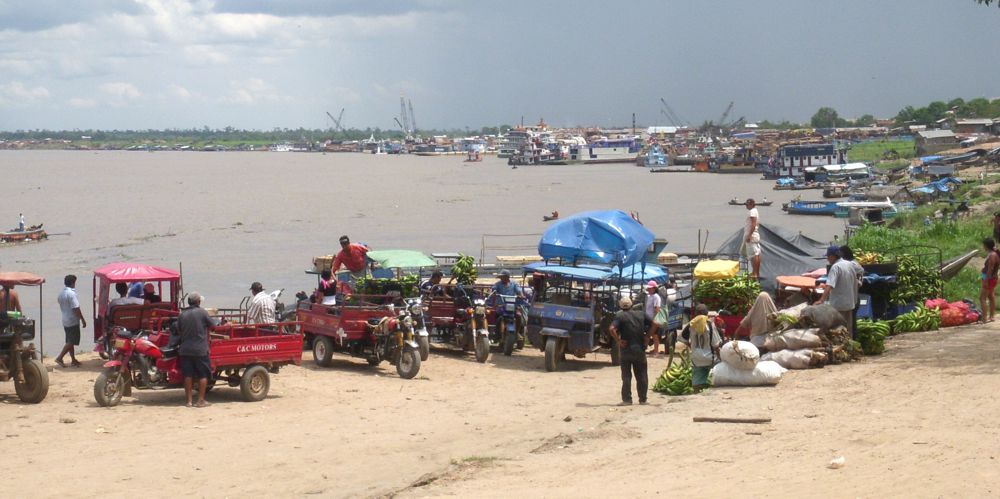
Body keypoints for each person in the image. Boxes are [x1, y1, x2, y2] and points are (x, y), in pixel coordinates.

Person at [608, 296, 648, 405]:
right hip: (640, 349)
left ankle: (627, 400)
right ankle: (643, 400)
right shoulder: (641, 314)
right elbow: (655, 324)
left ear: (620, 306)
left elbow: (611, 329)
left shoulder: (619, 315)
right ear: (631, 304)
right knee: (642, 375)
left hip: (626, 350)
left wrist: (618, 340)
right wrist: (648, 336)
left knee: (626, 376)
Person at [178, 292, 213, 408]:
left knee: (188, 375)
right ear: (198, 302)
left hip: (185, 349)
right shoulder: (202, 312)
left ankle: (188, 401)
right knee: (203, 375)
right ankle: (200, 401)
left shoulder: (182, 314)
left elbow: (178, 330)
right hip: (200, 349)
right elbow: (213, 325)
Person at [815, 245, 858, 337]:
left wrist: (821, 300)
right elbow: (856, 282)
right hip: (850, 304)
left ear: (832, 256)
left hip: (839, 305)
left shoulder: (835, 267)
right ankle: (850, 348)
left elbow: (829, 285)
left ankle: (841, 349)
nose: (827, 259)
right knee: (848, 330)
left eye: (828, 256)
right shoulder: (849, 264)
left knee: (838, 332)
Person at [680, 304, 722, 392]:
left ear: (695, 314)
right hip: (710, 359)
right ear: (707, 313)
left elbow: (682, 338)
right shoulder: (710, 324)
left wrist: (691, 346)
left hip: (696, 359)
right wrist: (721, 358)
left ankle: (696, 391)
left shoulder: (691, 324)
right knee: (717, 373)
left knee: (697, 380)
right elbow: (716, 345)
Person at [55, 274, 86, 368]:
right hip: (72, 320)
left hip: (65, 319)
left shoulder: (61, 294)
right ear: (73, 283)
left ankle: (73, 359)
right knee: (71, 341)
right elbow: (76, 308)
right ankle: (60, 357)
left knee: (69, 340)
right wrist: (83, 319)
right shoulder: (72, 294)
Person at [980, 238, 999, 323]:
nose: (983, 246)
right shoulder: (994, 254)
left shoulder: (992, 255)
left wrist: (986, 280)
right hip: (992, 278)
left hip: (989, 279)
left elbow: (990, 269)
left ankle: (984, 318)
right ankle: (991, 316)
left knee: (982, 298)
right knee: (991, 296)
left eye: (983, 245)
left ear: (986, 246)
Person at [643, 280, 663, 355]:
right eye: (649, 288)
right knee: (650, 334)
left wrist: (655, 319)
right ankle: (652, 349)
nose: (649, 289)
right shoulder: (648, 296)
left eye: (651, 288)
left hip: (653, 319)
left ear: (654, 288)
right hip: (647, 318)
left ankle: (656, 350)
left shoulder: (656, 297)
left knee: (654, 335)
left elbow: (657, 308)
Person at [744, 198, 761, 279]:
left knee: (754, 254)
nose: (746, 206)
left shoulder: (752, 212)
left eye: (747, 204)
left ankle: (755, 273)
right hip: (755, 234)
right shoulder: (755, 211)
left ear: (751, 204)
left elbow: (753, 224)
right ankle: (756, 273)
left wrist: (749, 235)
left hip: (752, 235)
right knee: (757, 253)